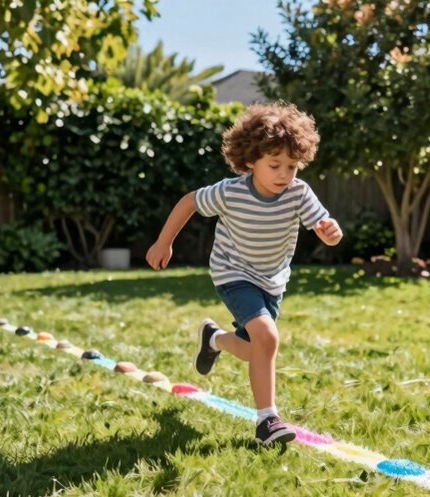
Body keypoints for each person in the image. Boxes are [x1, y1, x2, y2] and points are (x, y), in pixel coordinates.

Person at [146, 102, 344, 446]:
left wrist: (330, 232)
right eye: (274, 165)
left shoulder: (298, 192)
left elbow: (323, 224)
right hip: (232, 272)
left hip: (272, 280)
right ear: (250, 160)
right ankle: (267, 420)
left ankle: (214, 339)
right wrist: (164, 242)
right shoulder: (231, 192)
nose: (284, 174)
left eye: (292, 166)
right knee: (267, 339)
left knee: (258, 351)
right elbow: (190, 201)